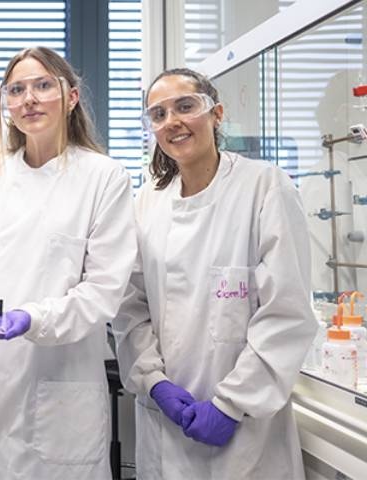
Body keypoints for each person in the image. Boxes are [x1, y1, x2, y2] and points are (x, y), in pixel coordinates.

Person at [0, 47, 137, 479]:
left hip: (60, 378)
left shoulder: (104, 178)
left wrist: (31, 318)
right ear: (6, 104)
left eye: (43, 85)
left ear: (71, 97)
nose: (28, 99)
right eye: (16, 90)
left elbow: (102, 291)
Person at [112, 68, 317, 479]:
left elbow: (287, 313)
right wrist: (154, 382)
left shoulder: (264, 187)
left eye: (185, 106)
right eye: (159, 114)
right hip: (165, 427)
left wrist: (230, 404)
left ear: (216, 114)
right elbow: (130, 308)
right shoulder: (147, 203)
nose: (172, 121)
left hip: (247, 431)